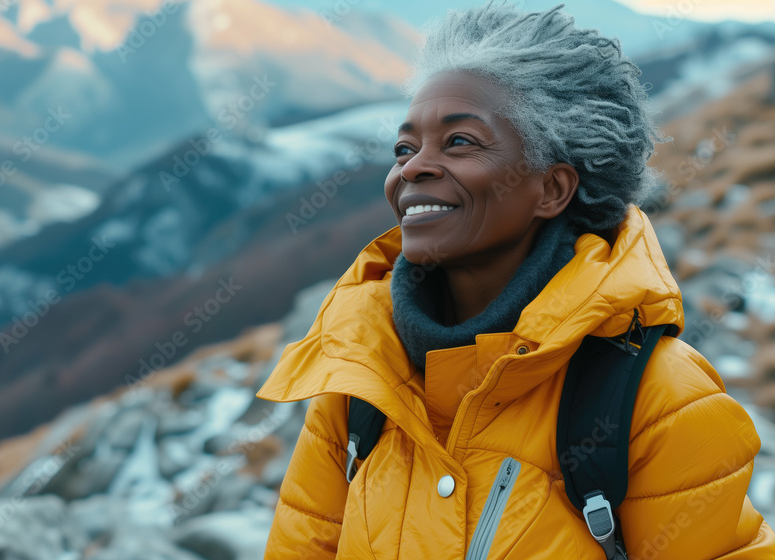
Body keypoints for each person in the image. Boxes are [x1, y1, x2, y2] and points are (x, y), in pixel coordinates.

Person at [255, 2, 775, 558]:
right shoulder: (357, 385)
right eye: (404, 148)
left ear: (552, 189)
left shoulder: (660, 399)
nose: (410, 169)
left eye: (459, 142)